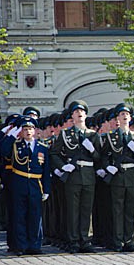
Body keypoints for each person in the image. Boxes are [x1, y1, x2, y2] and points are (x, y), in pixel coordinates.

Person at [50, 100, 101, 253]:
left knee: (86, 209)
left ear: (86, 114)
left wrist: (92, 150)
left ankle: (85, 240)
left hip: (88, 175)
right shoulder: (66, 134)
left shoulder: (93, 135)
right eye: (76, 112)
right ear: (72, 115)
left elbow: (99, 158)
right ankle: (73, 241)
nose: (79, 114)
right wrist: (63, 166)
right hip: (73, 176)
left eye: (82, 112)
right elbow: (54, 153)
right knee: (73, 210)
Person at [0, 116, 51, 255]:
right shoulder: (15, 145)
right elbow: (3, 151)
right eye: (25, 129)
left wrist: (46, 189)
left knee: (35, 216)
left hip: (35, 184)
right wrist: (11, 135)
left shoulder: (42, 148)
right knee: (19, 215)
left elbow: (46, 170)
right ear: (21, 132)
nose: (28, 131)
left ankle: (34, 245)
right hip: (19, 183)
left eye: (31, 129)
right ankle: (21, 245)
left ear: (35, 130)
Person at [101, 103, 134, 252]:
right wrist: (108, 167)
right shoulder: (111, 137)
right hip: (117, 175)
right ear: (118, 118)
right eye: (121, 115)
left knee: (131, 210)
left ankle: (130, 240)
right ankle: (118, 241)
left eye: (127, 114)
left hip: (131, 175)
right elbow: (104, 156)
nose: (124, 116)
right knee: (117, 209)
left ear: (130, 118)